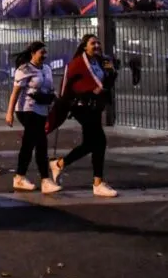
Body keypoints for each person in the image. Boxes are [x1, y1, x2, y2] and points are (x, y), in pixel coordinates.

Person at [47, 33, 117, 197]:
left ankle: (59, 164)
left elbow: (108, 81)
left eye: (98, 43)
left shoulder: (102, 61)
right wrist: (62, 106)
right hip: (80, 107)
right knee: (100, 141)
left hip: (95, 107)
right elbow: (65, 86)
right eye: (93, 43)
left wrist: (110, 74)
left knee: (90, 144)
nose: (97, 46)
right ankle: (98, 183)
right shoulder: (76, 64)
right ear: (84, 47)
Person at [5, 41, 61, 194]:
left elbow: (50, 89)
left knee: (29, 144)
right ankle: (45, 180)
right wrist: (9, 113)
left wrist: (55, 99)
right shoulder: (24, 69)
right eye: (41, 52)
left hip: (41, 110)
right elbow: (15, 92)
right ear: (33, 53)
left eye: (45, 52)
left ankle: (19, 176)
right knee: (41, 142)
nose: (44, 55)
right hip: (27, 110)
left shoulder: (47, 69)